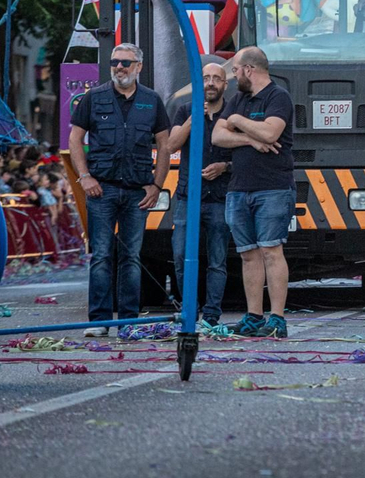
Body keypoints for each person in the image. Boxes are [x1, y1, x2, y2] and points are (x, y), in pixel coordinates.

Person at [67, 43, 172, 336]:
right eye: (115, 62)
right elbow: (75, 139)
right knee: (101, 255)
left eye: (126, 62)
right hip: (102, 190)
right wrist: (84, 177)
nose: (119, 68)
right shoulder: (94, 97)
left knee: (132, 258)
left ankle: (128, 321)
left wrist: (157, 185)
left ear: (139, 66)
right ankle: (99, 322)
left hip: (137, 192)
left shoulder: (151, 100)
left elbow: (165, 145)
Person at [213, 46, 296, 339]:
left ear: (249, 69)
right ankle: (253, 316)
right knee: (248, 254)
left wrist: (237, 122)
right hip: (239, 188)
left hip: (273, 187)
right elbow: (217, 136)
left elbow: (271, 133)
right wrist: (250, 139)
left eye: (236, 70)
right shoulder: (239, 99)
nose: (233, 76)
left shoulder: (278, 97)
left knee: (271, 250)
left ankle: (277, 319)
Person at [166, 59, 236, 330]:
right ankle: (189, 310)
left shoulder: (233, 113)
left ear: (225, 84)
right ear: (198, 83)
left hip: (220, 196)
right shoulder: (184, 110)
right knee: (181, 255)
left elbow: (244, 153)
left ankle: (211, 315)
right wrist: (193, 119)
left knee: (217, 260)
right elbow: (171, 145)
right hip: (189, 196)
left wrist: (224, 167)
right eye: (206, 78)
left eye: (216, 79)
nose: (210, 83)